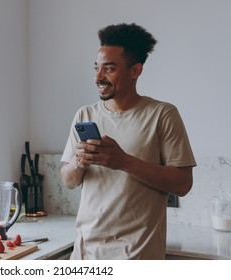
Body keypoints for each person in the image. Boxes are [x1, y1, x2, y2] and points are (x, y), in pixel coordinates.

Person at [60, 23, 196, 259]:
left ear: (135, 71)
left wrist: (123, 161)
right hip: (85, 254)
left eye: (109, 69)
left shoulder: (162, 115)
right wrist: (79, 162)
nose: (98, 77)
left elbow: (183, 184)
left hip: (137, 256)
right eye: (97, 68)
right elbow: (68, 180)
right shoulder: (85, 115)